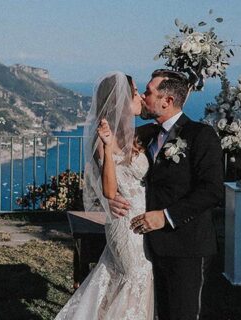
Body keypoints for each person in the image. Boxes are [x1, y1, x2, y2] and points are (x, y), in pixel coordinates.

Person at [110, 69, 224, 320]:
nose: (142, 97)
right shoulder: (146, 135)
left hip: (187, 247)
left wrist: (166, 216)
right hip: (148, 248)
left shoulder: (200, 135)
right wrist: (111, 198)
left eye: (148, 92)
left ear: (167, 101)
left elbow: (212, 190)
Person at [55, 71, 154, 320]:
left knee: (125, 278)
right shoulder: (104, 138)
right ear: (120, 100)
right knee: (133, 276)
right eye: (134, 92)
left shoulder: (136, 134)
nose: (140, 96)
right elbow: (109, 190)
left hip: (144, 218)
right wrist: (109, 148)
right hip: (124, 220)